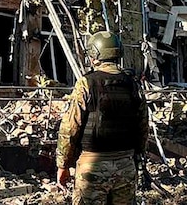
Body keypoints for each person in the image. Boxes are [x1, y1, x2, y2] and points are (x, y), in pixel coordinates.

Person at [55, 31, 149, 204]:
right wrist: (137, 157)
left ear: (94, 55)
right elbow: (143, 126)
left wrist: (63, 164)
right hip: (126, 167)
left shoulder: (87, 83)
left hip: (92, 168)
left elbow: (70, 127)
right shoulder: (132, 84)